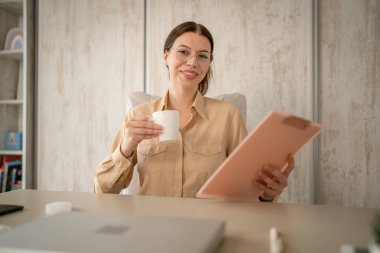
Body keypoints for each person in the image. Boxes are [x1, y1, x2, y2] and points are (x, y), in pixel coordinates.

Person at [94, 21, 294, 201]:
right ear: (166, 56)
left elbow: (248, 190)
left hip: (208, 225)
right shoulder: (138, 115)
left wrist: (268, 194)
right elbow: (103, 191)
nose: (192, 62)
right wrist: (126, 147)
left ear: (208, 64)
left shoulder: (228, 115)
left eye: (202, 56)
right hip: (152, 226)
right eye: (183, 52)